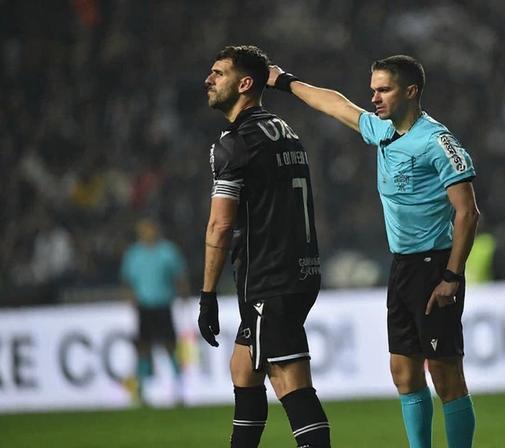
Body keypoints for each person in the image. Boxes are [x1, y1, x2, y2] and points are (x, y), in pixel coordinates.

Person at [268, 55, 479, 448]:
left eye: (384, 89)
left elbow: (468, 212)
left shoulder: (437, 141)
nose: (375, 97)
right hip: (402, 267)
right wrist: (285, 82)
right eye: (373, 89)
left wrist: (452, 276)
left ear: (411, 91)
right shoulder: (381, 130)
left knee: (446, 375)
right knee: (403, 372)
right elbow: (336, 104)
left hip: (435, 267)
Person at [198, 45, 330, 448]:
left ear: (245, 83)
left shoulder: (235, 143)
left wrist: (207, 295)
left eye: (218, 73)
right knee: (244, 368)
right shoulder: (283, 129)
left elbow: (221, 224)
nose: (208, 79)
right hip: (298, 270)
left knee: (289, 380)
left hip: (270, 280)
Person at [120, 217, 188, 406]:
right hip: (144, 307)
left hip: (163, 306)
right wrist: (131, 301)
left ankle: (179, 391)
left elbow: (179, 277)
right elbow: (128, 282)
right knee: (143, 349)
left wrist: (184, 297)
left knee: (170, 347)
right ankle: (140, 393)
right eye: (143, 229)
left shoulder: (168, 251)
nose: (147, 233)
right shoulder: (133, 254)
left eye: (150, 229)